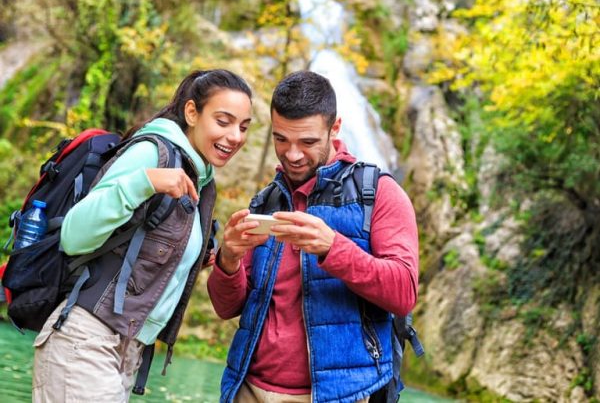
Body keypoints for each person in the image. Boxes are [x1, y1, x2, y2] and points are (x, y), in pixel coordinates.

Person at [32, 69, 253, 402]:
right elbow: (74, 235)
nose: (235, 136)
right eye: (223, 121)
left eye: (244, 127)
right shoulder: (152, 153)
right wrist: (144, 182)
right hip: (86, 339)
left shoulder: (202, 179)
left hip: (126, 351)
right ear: (192, 113)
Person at [208, 71, 419, 403]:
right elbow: (226, 307)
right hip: (247, 388)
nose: (292, 155)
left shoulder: (379, 193)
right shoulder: (266, 200)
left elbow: (404, 292)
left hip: (341, 395)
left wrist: (333, 248)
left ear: (334, 129)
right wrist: (229, 261)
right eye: (281, 140)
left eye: (307, 142)